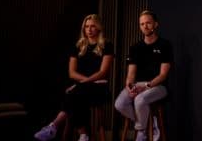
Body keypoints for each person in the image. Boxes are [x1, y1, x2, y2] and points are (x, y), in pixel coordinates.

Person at [34, 14, 114, 141]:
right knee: (75, 95)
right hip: (82, 88)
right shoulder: (78, 46)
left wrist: (82, 83)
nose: (89, 29)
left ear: (98, 28)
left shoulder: (107, 45)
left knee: (73, 94)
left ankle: (55, 127)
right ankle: (82, 135)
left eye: (93, 26)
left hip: (99, 87)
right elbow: (72, 73)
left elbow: (102, 72)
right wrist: (84, 83)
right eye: (87, 26)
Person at [114, 10, 173, 141]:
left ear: (155, 24)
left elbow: (163, 74)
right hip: (139, 85)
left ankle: (141, 131)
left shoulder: (165, 45)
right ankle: (149, 124)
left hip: (158, 86)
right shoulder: (135, 47)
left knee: (140, 100)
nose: (145, 26)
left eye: (148, 23)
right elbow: (131, 74)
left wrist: (147, 85)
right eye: (142, 24)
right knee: (120, 104)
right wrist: (129, 86)